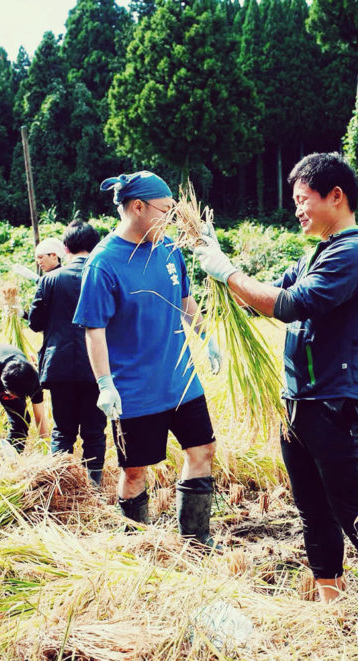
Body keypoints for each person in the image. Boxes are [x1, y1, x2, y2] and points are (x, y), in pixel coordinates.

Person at [193, 152, 358, 601]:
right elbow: (263, 298)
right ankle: (331, 602)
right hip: (298, 404)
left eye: (303, 199)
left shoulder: (355, 251)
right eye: (294, 201)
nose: (297, 210)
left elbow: (290, 305)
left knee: (355, 513)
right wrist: (222, 266)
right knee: (313, 511)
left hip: (334, 403)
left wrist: (226, 269)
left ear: (336, 196)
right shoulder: (318, 253)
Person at [74, 170, 223, 545]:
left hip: (181, 381)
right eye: (166, 210)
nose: (171, 218)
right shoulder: (103, 263)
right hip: (134, 392)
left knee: (202, 449)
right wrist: (105, 384)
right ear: (137, 207)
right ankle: (138, 542)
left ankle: (195, 539)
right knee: (136, 471)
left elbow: (184, 298)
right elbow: (94, 329)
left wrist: (207, 336)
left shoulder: (168, 250)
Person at [29, 220, 107, 485]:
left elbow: (35, 323)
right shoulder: (103, 274)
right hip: (97, 366)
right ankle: (93, 488)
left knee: (63, 430)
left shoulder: (49, 280)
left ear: (65, 248)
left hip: (59, 366)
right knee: (94, 430)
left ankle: (59, 486)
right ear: (95, 245)